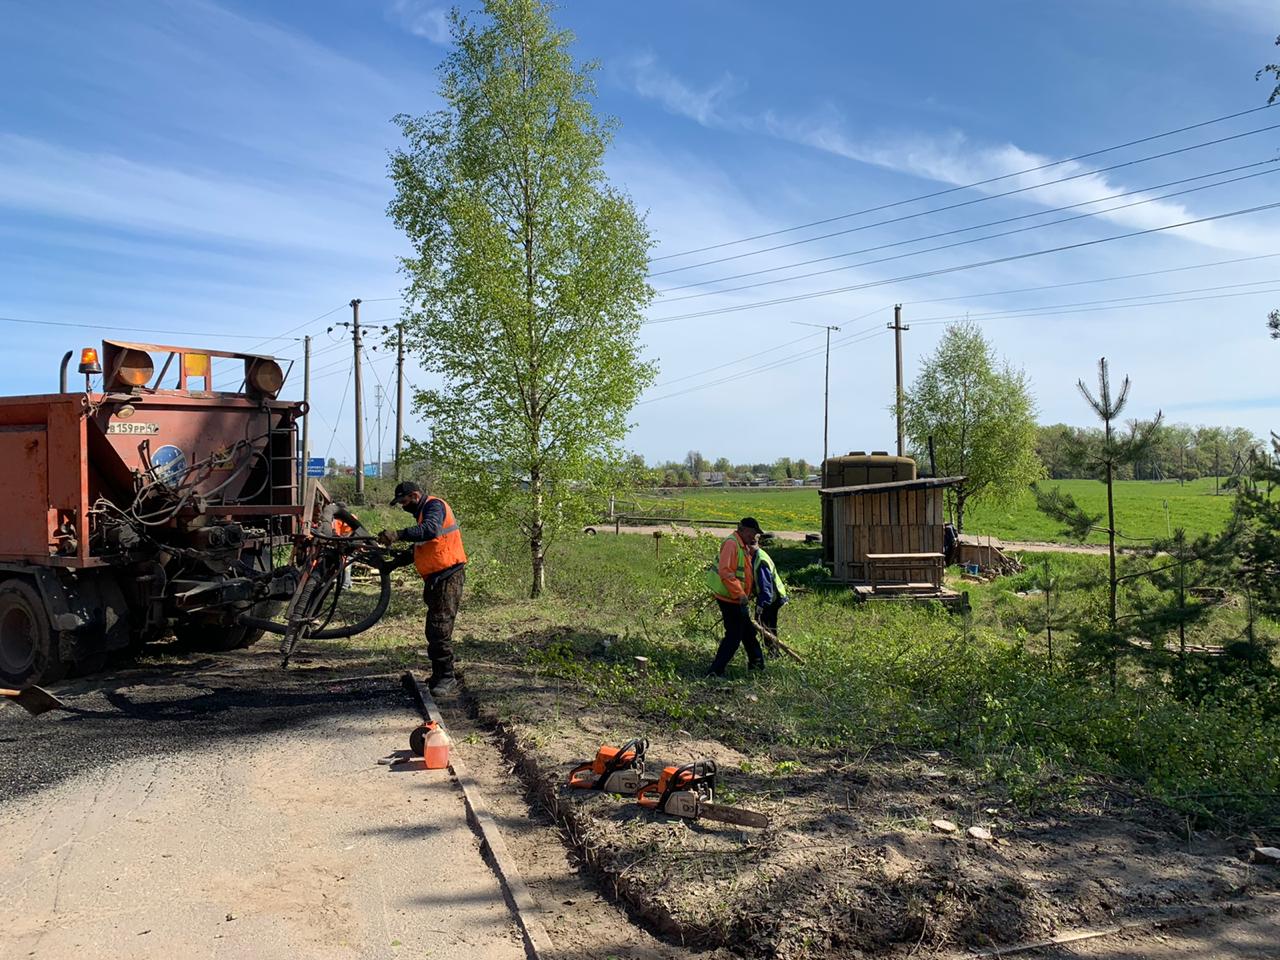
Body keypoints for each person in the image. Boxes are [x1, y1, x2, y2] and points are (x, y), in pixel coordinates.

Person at [379, 481, 467, 697]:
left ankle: (447, 678)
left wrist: (397, 534)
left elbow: (431, 530)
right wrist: (392, 564)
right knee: (434, 629)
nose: (402, 506)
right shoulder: (423, 515)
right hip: (437, 578)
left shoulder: (434, 507)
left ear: (415, 495)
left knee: (440, 629)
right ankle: (439, 675)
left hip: (448, 576)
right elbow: (419, 548)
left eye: (404, 501)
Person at [705, 517, 765, 676]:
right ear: (743, 529)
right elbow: (726, 572)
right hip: (730, 599)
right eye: (752, 533)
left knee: (748, 633)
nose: (754, 537)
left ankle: (757, 666)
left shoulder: (741, 545)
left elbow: (743, 572)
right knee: (734, 636)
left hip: (736, 598)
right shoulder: (731, 544)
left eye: (755, 535)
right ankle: (715, 671)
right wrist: (740, 594)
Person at [753, 543, 788, 650]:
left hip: (771, 599)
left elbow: (766, 589)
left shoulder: (760, 561)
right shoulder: (759, 555)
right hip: (773, 597)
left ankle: (773, 653)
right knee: (768, 626)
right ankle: (773, 651)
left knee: (765, 625)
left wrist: (760, 607)